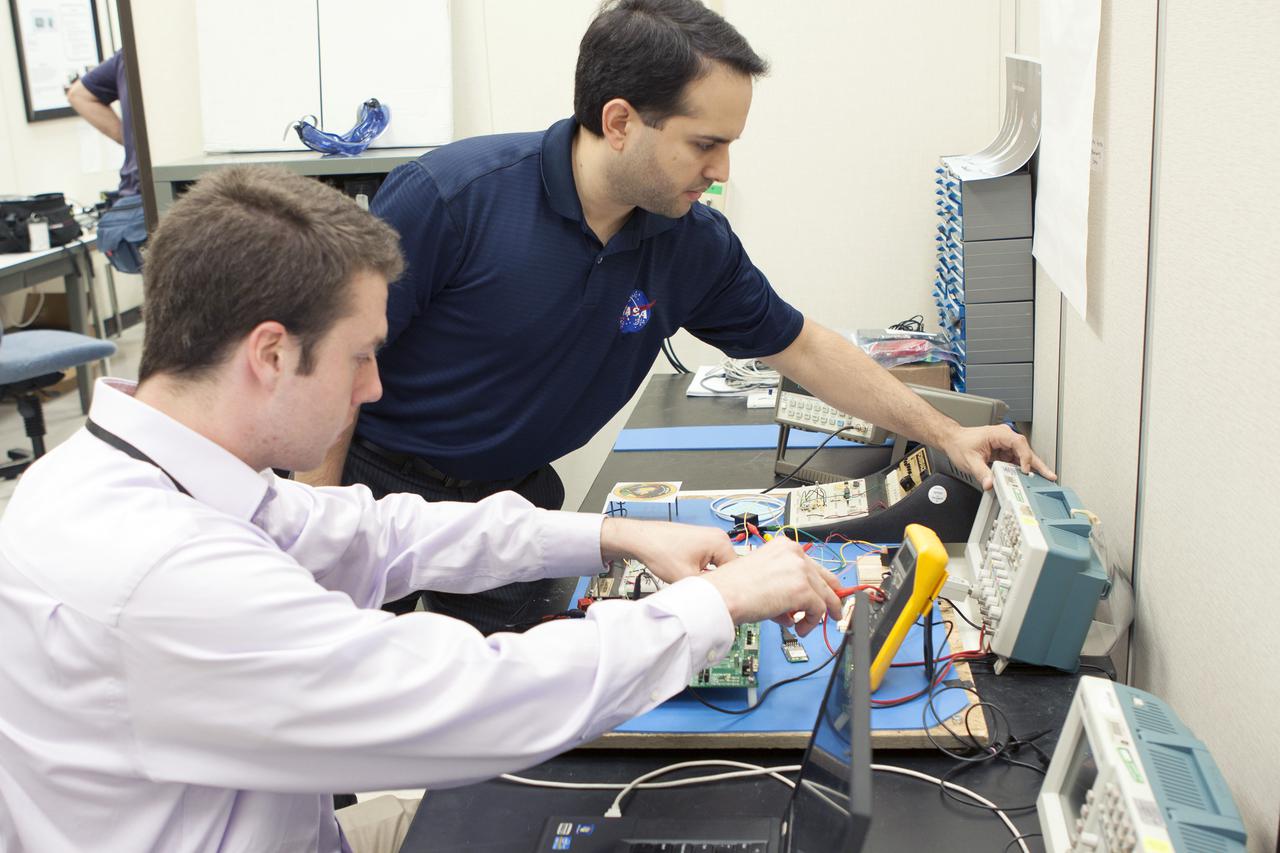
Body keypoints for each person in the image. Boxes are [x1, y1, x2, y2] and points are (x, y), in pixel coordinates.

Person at [0, 165, 843, 853]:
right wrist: (714, 605)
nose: (374, 386)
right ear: (270, 352)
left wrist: (614, 534)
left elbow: (381, 531)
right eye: (362, 356)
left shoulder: (131, 471)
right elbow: (474, 696)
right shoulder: (160, 570)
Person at [301, 0, 1054, 631]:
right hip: (375, 489)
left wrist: (948, 434)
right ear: (620, 120)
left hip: (516, 501)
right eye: (706, 143)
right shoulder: (450, 200)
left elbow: (806, 347)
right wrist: (320, 534)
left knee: (519, 749)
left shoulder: (689, 242)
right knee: (323, 719)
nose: (723, 169)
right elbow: (322, 372)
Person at [67, 50, 138, 199]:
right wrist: (131, 140)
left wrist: (130, 140)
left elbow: (78, 94)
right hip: (141, 190)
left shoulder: (126, 55)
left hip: (135, 191)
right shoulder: (127, 55)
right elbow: (78, 95)